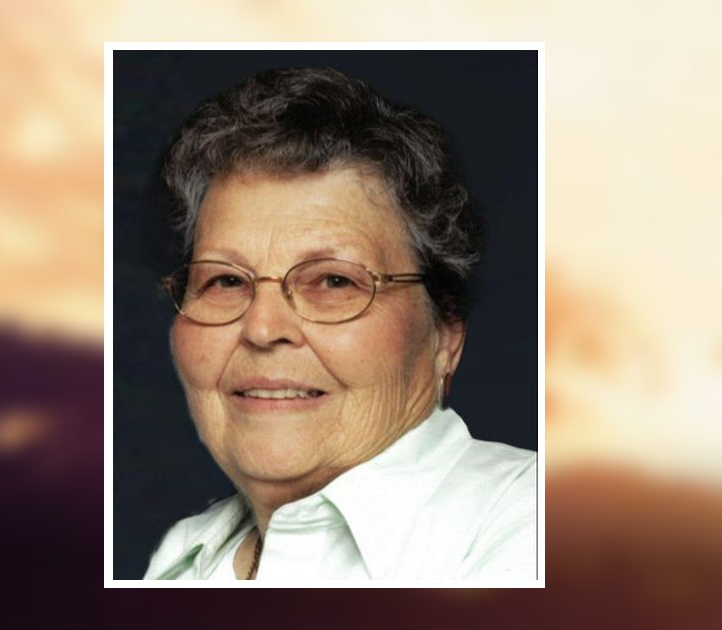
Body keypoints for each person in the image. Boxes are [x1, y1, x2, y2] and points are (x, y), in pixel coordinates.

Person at [143, 66, 536, 580]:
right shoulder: (182, 557)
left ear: (445, 335)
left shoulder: (539, 527)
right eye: (226, 281)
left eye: (333, 282)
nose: (262, 329)